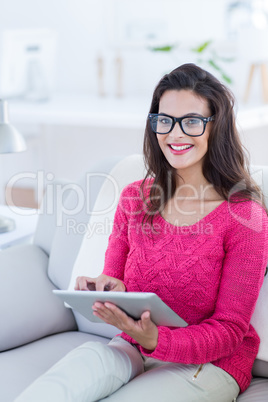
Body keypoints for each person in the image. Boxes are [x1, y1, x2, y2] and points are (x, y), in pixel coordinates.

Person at [16, 63, 268, 402]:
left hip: (210, 362)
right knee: (54, 389)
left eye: (191, 121)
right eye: (164, 121)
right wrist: (104, 289)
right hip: (132, 345)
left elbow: (230, 330)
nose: (175, 134)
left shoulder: (243, 216)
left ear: (216, 127)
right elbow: (114, 279)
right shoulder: (135, 197)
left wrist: (157, 340)